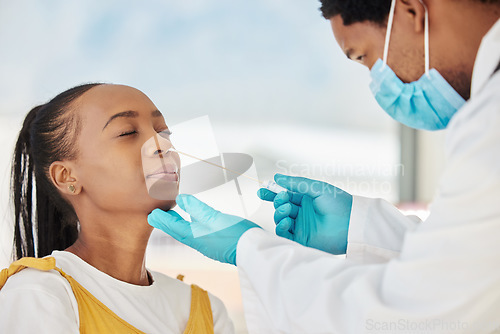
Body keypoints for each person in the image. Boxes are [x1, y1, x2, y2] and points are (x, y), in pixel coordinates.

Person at [148, 0, 500, 332]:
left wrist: (249, 249)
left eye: (365, 56)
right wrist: (359, 227)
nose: (160, 148)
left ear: (410, 11)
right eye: (127, 132)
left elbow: (420, 311)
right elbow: (474, 264)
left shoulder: (490, 127)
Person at [0, 83, 235, 333]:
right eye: (127, 133)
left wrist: (267, 251)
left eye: (163, 133)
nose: (163, 146)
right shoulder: (39, 294)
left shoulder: (208, 310)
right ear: (67, 177)